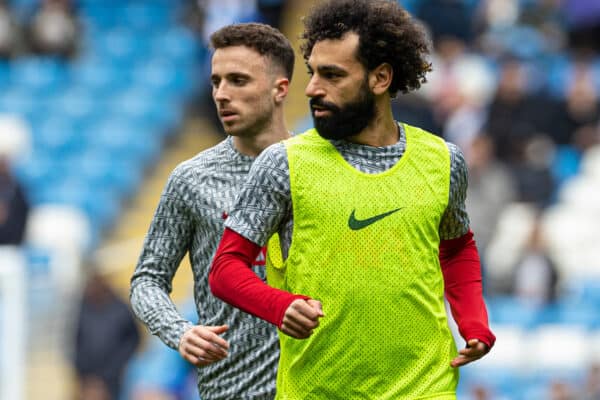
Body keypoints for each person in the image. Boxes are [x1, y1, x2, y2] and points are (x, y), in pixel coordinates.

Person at [209, 1, 495, 398]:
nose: (311, 89)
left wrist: (473, 322)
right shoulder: (283, 164)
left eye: (332, 75)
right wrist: (279, 305)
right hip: (319, 389)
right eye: (312, 73)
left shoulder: (444, 161)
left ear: (380, 78)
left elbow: (457, 246)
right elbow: (225, 268)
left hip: (425, 386)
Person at [130, 22, 294, 400]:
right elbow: (147, 280)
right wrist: (180, 331)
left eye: (238, 80)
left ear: (280, 89)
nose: (222, 94)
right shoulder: (191, 180)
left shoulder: (322, 171)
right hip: (230, 390)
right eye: (216, 81)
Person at [74, 268, 141, 400]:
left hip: (116, 379)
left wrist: (109, 374)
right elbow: (77, 343)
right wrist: (87, 378)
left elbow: (133, 341)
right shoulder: (84, 309)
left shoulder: (121, 309)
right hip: (89, 380)